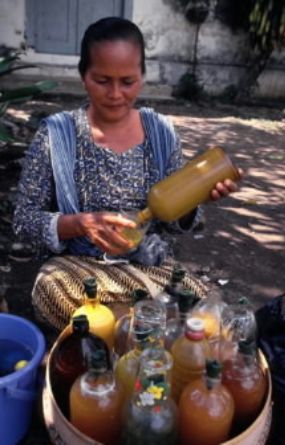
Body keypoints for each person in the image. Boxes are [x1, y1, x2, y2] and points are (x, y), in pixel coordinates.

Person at [13, 17, 241, 330]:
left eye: (128, 81)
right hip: (79, 269)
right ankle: (146, 334)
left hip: (150, 267)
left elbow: (175, 223)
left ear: (142, 77)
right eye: (102, 80)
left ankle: (123, 333)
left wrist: (195, 197)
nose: (116, 93)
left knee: (208, 311)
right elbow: (24, 221)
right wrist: (80, 224)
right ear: (83, 76)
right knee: (52, 291)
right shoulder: (56, 134)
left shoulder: (161, 132)